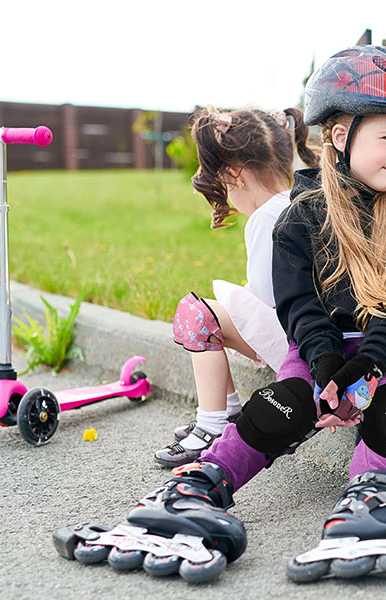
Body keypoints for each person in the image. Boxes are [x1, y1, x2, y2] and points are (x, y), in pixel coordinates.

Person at [60, 46, 386, 583]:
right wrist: (324, 365)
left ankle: (370, 497)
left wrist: (369, 364)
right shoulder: (299, 216)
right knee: (290, 400)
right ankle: (199, 485)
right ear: (341, 138)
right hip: (322, 340)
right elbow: (299, 304)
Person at [158, 106, 319, 467]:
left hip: (293, 340)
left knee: (196, 314)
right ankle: (226, 411)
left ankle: (213, 423)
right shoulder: (305, 201)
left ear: (236, 175)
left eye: (225, 184)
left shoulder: (267, 217)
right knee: (217, 314)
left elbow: (267, 296)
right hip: (316, 335)